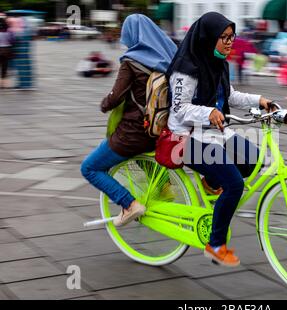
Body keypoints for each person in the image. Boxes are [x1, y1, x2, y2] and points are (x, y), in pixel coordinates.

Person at [166, 12, 273, 267]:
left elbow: (230, 96)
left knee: (255, 160)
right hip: (184, 137)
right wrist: (209, 112)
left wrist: (259, 100)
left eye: (231, 37)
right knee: (234, 184)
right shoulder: (186, 69)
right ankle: (215, 245)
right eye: (223, 37)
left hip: (214, 132)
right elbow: (179, 109)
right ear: (208, 38)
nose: (229, 42)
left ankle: (211, 180)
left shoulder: (219, 63)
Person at [80, 14, 177, 227]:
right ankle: (163, 187)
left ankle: (129, 204)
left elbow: (116, 96)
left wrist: (104, 104)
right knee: (140, 153)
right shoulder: (169, 59)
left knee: (89, 168)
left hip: (132, 133)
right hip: (158, 131)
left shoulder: (132, 61)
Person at [0, 17, 14, 89]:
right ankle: (3, 84)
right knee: (4, 67)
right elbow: (12, 41)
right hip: (6, 50)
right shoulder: (9, 31)